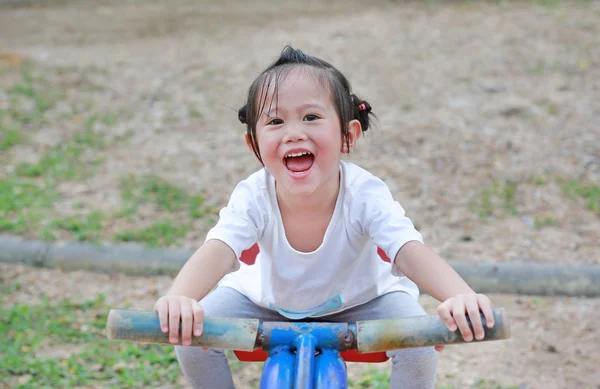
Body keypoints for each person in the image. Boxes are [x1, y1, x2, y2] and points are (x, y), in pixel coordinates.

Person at [153, 46, 495, 389]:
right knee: (191, 336)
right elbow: (220, 248)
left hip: (362, 300)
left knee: (419, 347)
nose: (293, 132)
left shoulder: (363, 193)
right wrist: (180, 297)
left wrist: (458, 296)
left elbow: (406, 249)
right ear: (253, 144)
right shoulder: (253, 195)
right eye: (275, 121)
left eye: (311, 117)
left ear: (348, 136)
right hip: (265, 301)